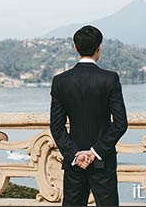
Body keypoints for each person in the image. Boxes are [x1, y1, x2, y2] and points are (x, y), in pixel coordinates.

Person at [49, 25, 128, 206]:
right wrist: (95, 151)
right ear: (99, 48)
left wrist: (75, 155)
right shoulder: (110, 79)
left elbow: (56, 126)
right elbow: (120, 123)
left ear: (75, 48)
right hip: (103, 161)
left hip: (74, 162)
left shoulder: (60, 81)